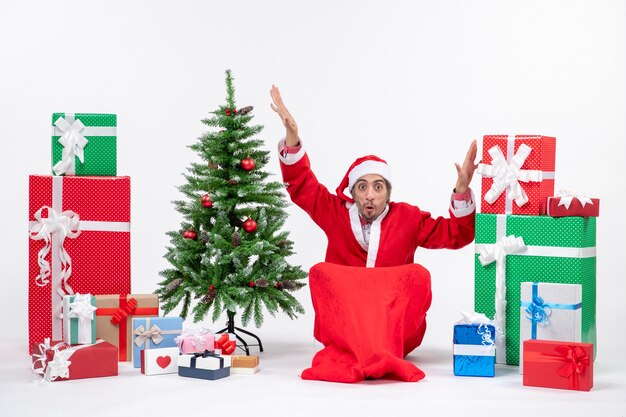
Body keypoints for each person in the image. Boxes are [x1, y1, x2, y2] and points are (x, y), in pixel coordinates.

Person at [269, 85, 478, 382]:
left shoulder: (408, 218)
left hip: (395, 331)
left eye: (378, 187)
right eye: (362, 187)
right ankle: (359, 347)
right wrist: (292, 135)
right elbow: (303, 184)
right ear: (352, 192)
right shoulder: (335, 213)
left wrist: (461, 189)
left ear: (388, 193)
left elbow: (457, 234)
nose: (369, 195)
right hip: (346, 328)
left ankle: (380, 349)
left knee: (418, 274)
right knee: (321, 272)